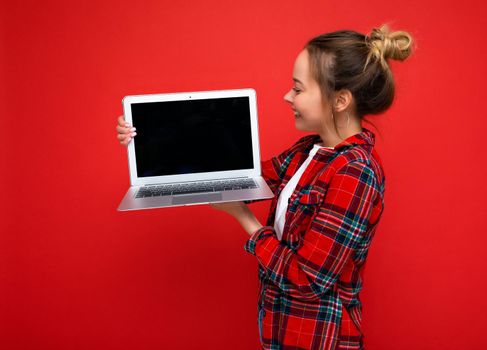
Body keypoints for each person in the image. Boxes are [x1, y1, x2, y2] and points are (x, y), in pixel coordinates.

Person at [115, 23, 414, 350]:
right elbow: (237, 174)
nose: (288, 96)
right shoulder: (308, 152)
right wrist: (145, 139)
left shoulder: (355, 172)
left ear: (340, 100)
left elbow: (307, 280)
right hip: (283, 331)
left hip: (319, 339)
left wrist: (244, 218)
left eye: (298, 89)